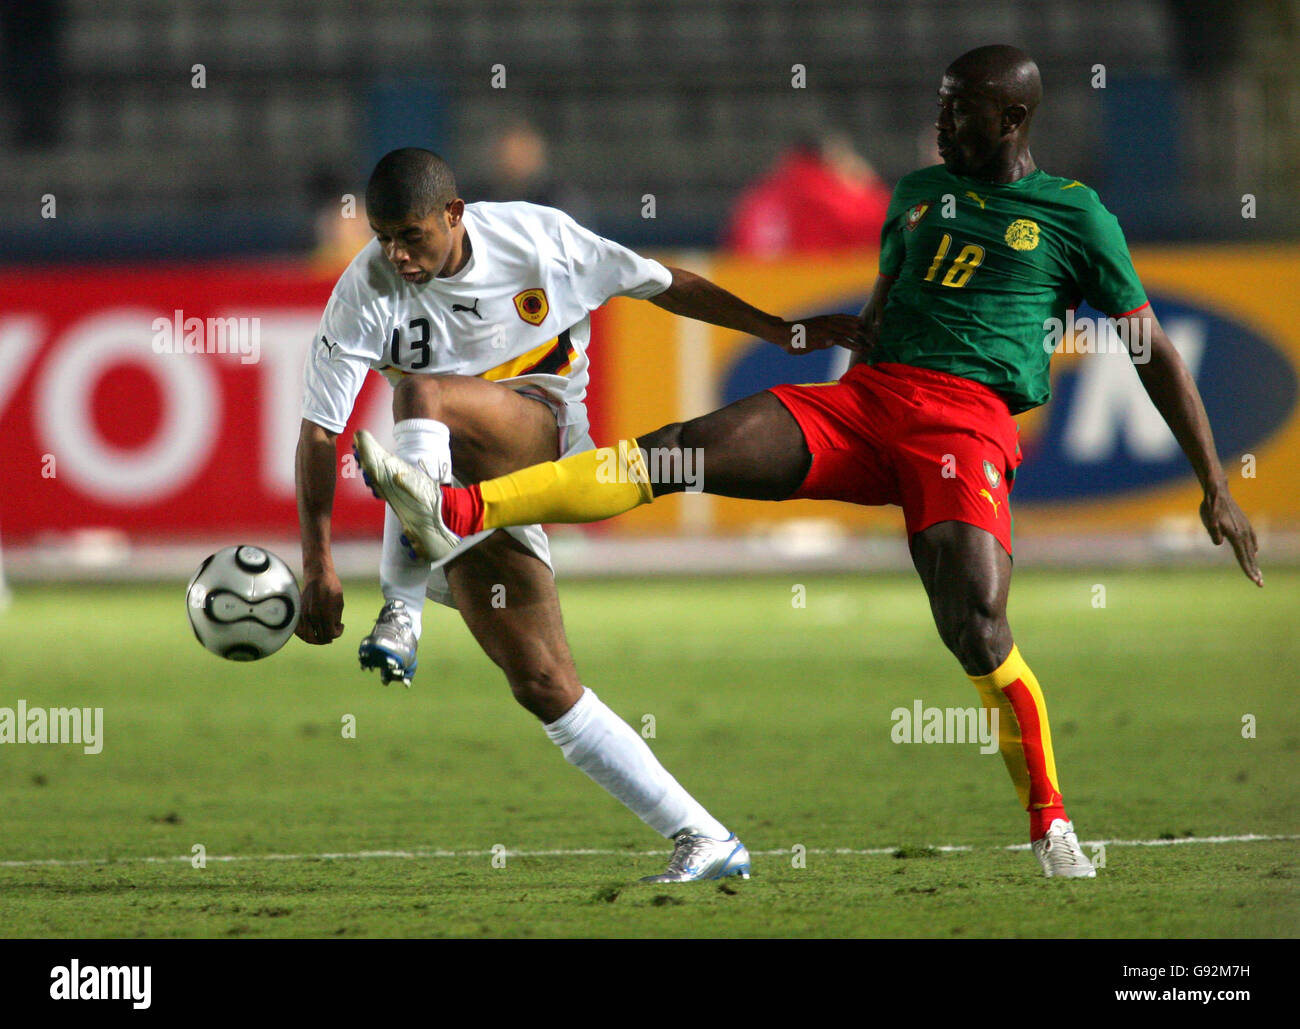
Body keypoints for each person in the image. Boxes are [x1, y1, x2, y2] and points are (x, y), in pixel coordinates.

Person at [354, 47, 1263, 879]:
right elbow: (878, 314)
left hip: (963, 426)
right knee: (680, 452)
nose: (942, 123)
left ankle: (1051, 823)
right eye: (942, 106)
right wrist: (840, 406)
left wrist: (1214, 485)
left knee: (979, 630)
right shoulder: (913, 195)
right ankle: (462, 513)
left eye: (961, 110)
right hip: (867, 403)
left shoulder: (1075, 214)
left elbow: (1152, 350)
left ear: (1013, 122)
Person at [294, 147, 859, 882]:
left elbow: (664, 283)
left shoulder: (539, 239)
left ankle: (402, 607)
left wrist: (778, 331)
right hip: (463, 482)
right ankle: (705, 836)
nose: (397, 254)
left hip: (544, 437)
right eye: (383, 237)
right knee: (542, 681)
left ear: (455, 214)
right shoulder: (364, 287)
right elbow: (317, 432)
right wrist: (315, 561)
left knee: (420, 394)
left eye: (411, 235)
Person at [723, 132, 892, 257]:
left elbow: (733, 245)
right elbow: (885, 228)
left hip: (755, 289)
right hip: (815, 291)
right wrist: (867, 183)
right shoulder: (829, 193)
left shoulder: (758, 197)